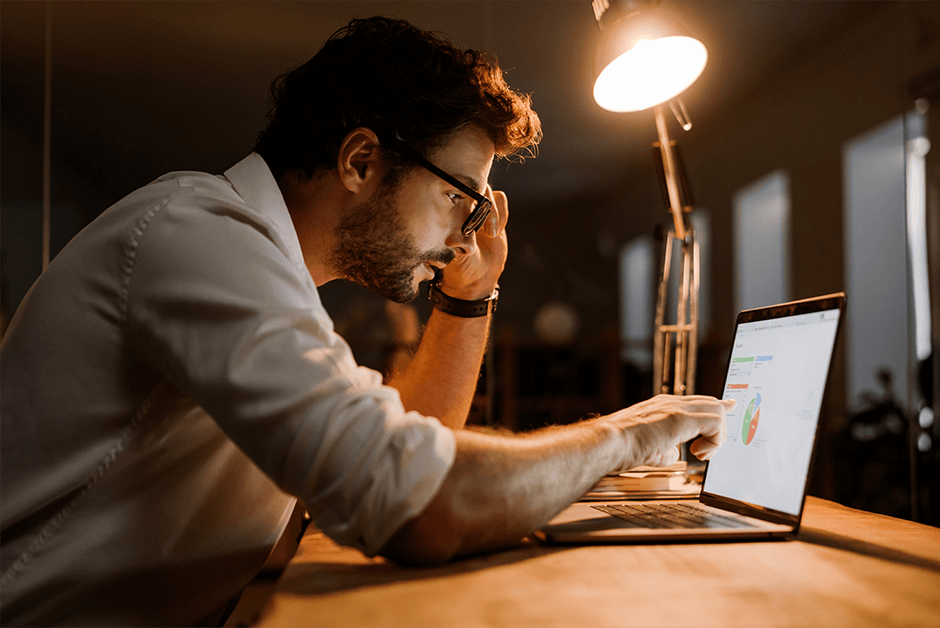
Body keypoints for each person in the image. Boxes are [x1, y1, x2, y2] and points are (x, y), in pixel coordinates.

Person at [0, 16, 732, 627]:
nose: (465, 235)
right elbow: (420, 503)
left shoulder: (257, 266)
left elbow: (411, 446)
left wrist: (469, 294)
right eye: (461, 198)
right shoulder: (195, 233)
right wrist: (631, 433)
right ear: (360, 161)